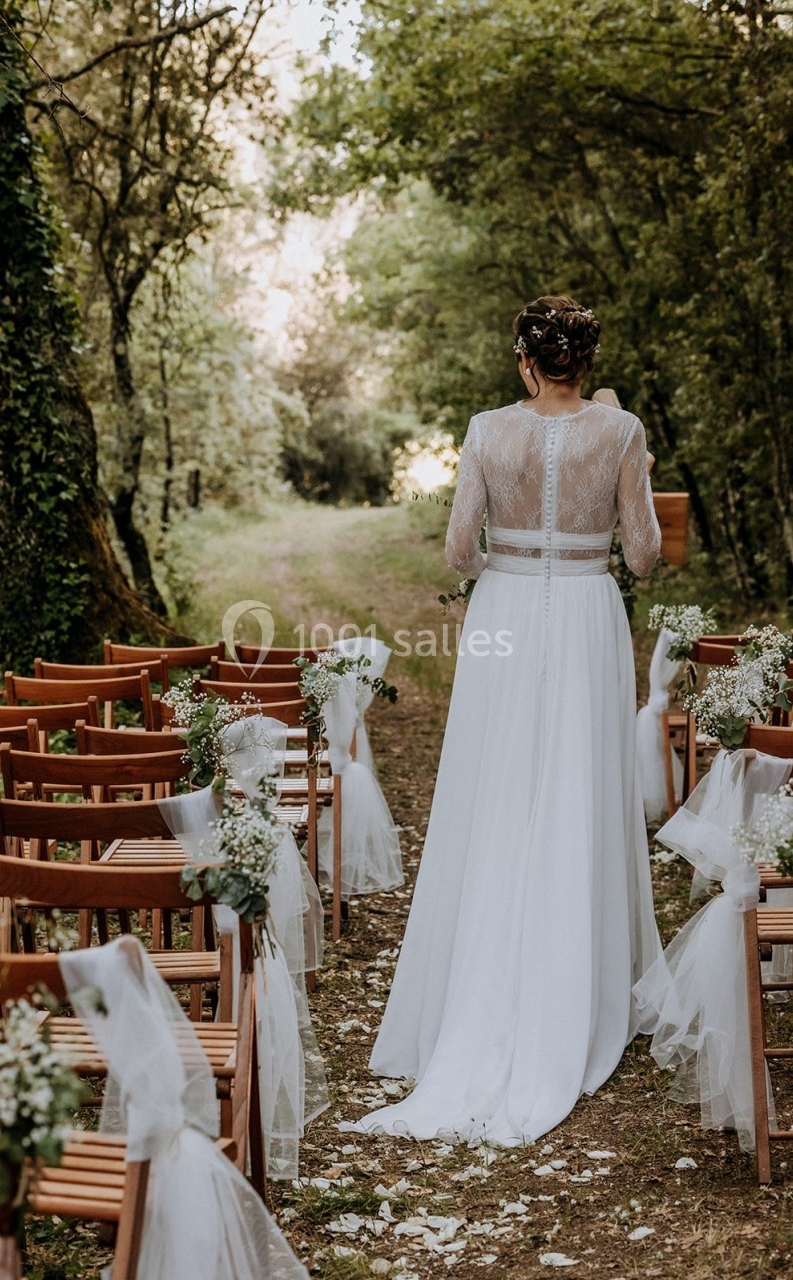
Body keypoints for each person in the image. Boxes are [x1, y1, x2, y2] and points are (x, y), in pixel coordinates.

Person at [348, 295, 663, 1146]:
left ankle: (483, 982)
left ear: (526, 361)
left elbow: (459, 551)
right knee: (578, 778)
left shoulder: (488, 430)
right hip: (590, 613)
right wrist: (618, 494)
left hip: (505, 613)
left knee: (499, 781)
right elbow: (643, 556)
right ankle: (582, 981)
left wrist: (511, 568)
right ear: (584, 362)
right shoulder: (622, 432)